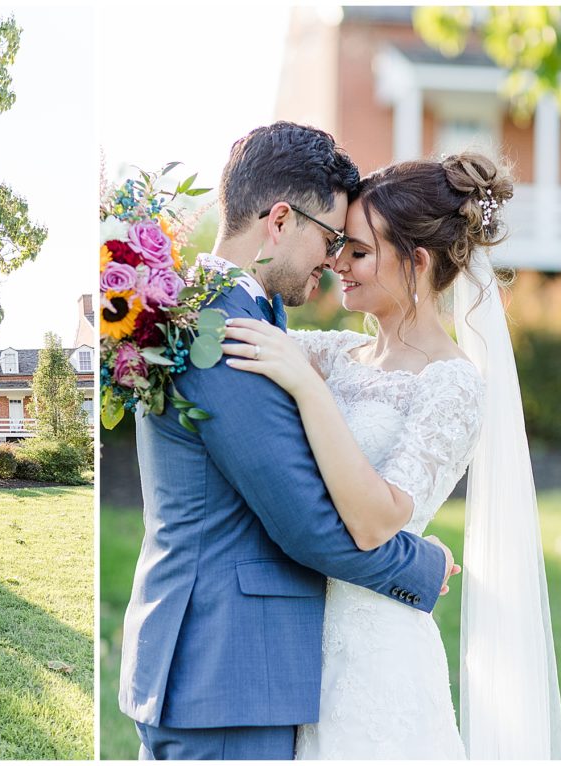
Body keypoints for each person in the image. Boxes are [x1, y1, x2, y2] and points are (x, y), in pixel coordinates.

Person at [118, 122, 457, 761]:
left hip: (235, 673)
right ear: (280, 221)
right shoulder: (220, 335)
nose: (334, 261)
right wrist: (425, 566)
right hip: (221, 672)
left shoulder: (221, 317)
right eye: (330, 238)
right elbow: (308, 525)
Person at [222, 152, 561, 759]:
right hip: (300, 643)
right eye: (338, 247)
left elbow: (380, 521)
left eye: (357, 251)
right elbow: (232, 318)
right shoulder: (334, 354)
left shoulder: (451, 383)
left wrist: (307, 390)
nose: (336, 264)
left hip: (378, 654)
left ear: (418, 261)